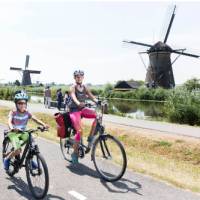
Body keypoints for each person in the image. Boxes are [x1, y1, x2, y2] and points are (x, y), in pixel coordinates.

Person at [3, 91, 49, 171]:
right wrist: (12, 128)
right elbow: (9, 121)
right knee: (18, 150)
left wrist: (44, 125)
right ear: (16, 104)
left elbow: (35, 119)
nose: (22, 105)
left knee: (31, 143)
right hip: (13, 133)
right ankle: (7, 159)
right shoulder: (13, 112)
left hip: (23, 132)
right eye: (20, 103)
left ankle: (30, 160)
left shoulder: (27, 112)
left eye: (24, 103)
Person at [68, 70, 100, 164]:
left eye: (81, 76)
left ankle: (90, 137)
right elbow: (73, 96)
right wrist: (78, 103)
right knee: (80, 131)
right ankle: (74, 153)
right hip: (74, 110)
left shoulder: (85, 87)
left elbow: (91, 96)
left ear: (83, 77)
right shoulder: (72, 87)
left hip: (82, 109)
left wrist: (97, 101)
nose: (79, 78)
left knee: (98, 115)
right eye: (77, 76)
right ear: (74, 78)